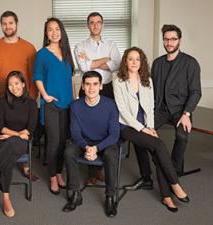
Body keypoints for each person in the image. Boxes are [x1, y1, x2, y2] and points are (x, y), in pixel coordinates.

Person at [113, 47, 190, 212]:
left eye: (138, 59)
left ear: (142, 62)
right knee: (159, 146)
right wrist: (143, 129)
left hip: (145, 126)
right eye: (130, 59)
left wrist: (151, 127)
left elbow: (150, 106)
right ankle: (174, 184)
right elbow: (123, 111)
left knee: (158, 152)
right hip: (127, 125)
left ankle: (166, 196)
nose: (134, 62)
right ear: (125, 61)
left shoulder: (146, 79)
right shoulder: (118, 80)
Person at [126, 25, 202, 191]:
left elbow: (196, 92)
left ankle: (172, 172)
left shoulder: (190, 63)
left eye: (173, 39)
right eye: (166, 39)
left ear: (179, 40)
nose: (169, 42)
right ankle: (146, 177)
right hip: (159, 109)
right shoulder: (158, 63)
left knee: (182, 135)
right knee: (139, 135)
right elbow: (149, 90)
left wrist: (187, 113)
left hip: (181, 110)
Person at [0, 71, 38, 218]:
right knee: (9, 154)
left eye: (17, 83)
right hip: (4, 139)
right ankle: (6, 198)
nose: (14, 87)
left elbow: (31, 128)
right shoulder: (2, 102)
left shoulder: (31, 103)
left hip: (23, 140)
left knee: (11, 147)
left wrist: (14, 136)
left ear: (23, 84)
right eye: (10, 84)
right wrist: (15, 134)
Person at [0, 10, 38, 181]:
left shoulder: (29, 48)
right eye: (4, 23)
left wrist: (31, 99)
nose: (8, 26)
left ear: (17, 24)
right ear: (1, 25)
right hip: (0, 100)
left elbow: (32, 76)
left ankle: (25, 166)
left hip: (23, 100)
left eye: (11, 23)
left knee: (23, 130)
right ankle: (0, 162)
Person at [62, 71, 120, 218]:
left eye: (95, 84)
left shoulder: (110, 105)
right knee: (69, 152)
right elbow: (75, 132)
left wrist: (97, 148)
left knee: (111, 154)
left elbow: (114, 134)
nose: (91, 88)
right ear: (82, 86)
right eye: (87, 84)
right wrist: (87, 147)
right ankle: (75, 194)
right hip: (85, 142)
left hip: (105, 142)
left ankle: (110, 197)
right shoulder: (75, 106)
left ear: (101, 86)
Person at [74, 12, 121, 185]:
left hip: (107, 88)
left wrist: (92, 61)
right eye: (92, 23)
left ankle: (100, 168)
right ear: (88, 25)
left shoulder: (111, 44)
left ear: (102, 25)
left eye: (98, 22)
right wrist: (105, 60)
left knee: (104, 127)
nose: (95, 25)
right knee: (87, 127)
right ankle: (91, 171)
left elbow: (116, 64)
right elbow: (84, 67)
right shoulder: (80, 46)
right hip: (86, 87)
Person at [33, 17, 75, 195]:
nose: (54, 32)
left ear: (61, 31)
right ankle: (52, 176)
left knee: (64, 142)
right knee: (53, 142)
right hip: (51, 104)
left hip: (68, 103)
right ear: (46, 33)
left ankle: (58, 172)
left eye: (57, 29)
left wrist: (75, 98)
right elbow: (37, 77)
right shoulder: (42, 54)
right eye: (50, 29)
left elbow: (70, 77)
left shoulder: (66, 52)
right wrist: (45, 96)